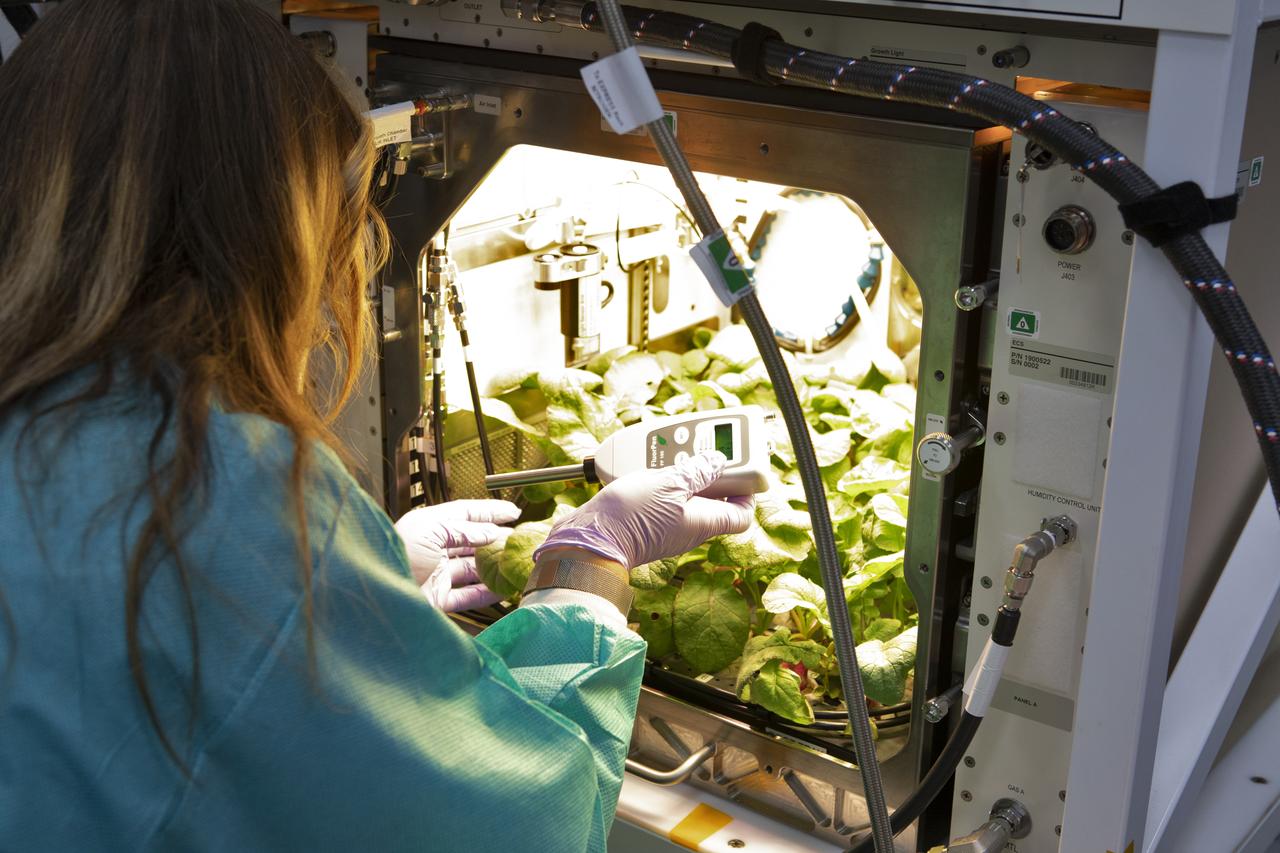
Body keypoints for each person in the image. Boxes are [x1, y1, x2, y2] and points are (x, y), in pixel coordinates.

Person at [0, 2, 754, 851]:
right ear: (265, 239)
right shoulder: (217, 486)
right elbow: (510, 817)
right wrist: (586, 569)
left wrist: (373, 573)